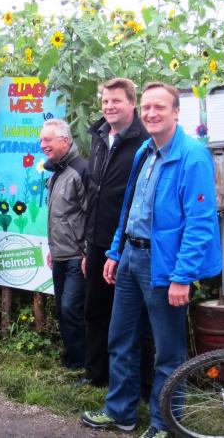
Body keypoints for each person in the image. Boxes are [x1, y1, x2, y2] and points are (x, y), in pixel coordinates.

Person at [82, 82, 222, 438]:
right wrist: (116, 252)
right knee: (121, 339)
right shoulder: (146, 150)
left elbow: (201, 222)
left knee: (167, 351)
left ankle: (165, 424)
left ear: (176, 112)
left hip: (165, 266)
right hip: (131, 257)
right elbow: (131, 209)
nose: (151, 113)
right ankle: (121, 413)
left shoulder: (192, 156)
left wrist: (182, 276)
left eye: (159, 107)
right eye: (146, 107)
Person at [81, 78, 153, 390]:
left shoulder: (144, 140)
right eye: (105, 101)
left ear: (131, 104)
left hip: (130, 242)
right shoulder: (99, 137)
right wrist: (87, 246)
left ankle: (140, 384)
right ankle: (96, 375)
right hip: (97, 241)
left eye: (116, 101)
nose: (109, 107)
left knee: (134, 320)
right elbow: (92, 192)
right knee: (94, 309)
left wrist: (121, 244)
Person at [39, 119, 88, 369]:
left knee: (71, 308)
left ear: (65, 141)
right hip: (60, 253)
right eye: (41, 140)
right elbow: (60, 215)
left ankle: (83, 363)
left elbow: (92, 215)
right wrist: (52, 247)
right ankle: (72, 359)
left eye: (47, 140)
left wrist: (88, 253)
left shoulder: (80, 170)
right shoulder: (56, 172)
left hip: (77, 256)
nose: (42, 145)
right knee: (62, 308)